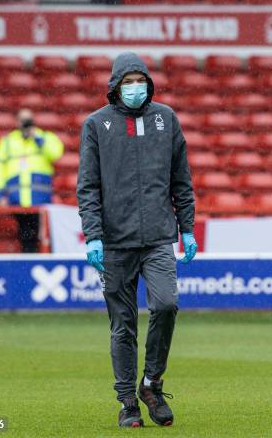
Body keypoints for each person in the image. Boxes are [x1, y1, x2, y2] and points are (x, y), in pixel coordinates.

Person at [77, 52, 197, 428]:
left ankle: (152, 383)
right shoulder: (96, 125)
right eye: (127, 82)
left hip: (159, 237)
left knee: (166, 305)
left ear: (148, 81)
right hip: (114, 242)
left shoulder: (167, 119)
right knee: (122, 324)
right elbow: (88, 186)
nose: (134, 88)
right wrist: (93, 236)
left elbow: (182, 179)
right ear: (115, 85)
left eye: (139, 80)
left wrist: (188, 227)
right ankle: (128, 401)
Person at [0, 109, 64, 252]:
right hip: (16, 200)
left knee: (41, 238)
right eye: (23, 120)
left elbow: (56, 153)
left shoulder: (45, 137)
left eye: (28, 120)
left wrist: (37, 138)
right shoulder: (7, 142)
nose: (26, 123)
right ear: (17, 122)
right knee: (24, 237)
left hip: (40, 200)